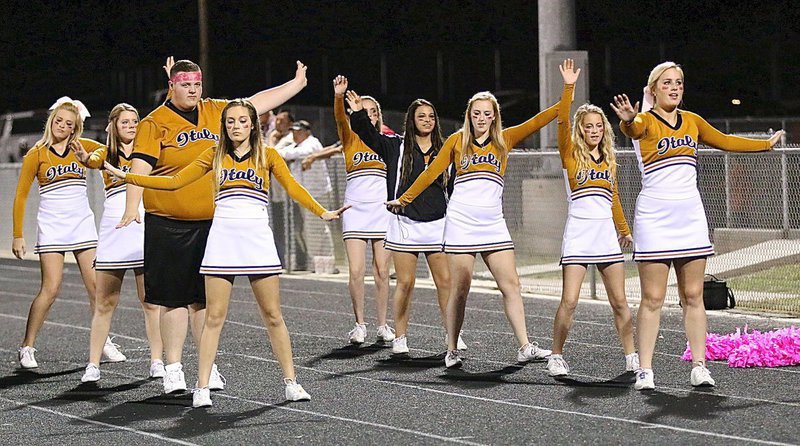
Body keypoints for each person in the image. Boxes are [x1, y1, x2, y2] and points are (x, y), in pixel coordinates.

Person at [106, 99, 347, 407]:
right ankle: (202, 386)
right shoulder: (214, 155)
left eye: (242, 121)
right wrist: (129, 177)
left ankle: (291, 382)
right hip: (222, 240)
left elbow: (293, 189)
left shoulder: (268, 155)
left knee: (273, 315)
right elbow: (174, 181)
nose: (236, 126)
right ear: (224, 125)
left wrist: (323, 211)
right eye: (230, 121)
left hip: (257, 239)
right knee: (214, 317)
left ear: (253, 125)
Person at [122, 57, 308, 393]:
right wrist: (131, 205)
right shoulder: (155, 122)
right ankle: (174, 368)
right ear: (172, 85)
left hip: (212, 225)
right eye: (185, 84)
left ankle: (207, 369)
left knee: (203, 303)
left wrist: (295, 85)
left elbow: (255, 103)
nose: (192, 90)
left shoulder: (216, 111)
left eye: (197, 84)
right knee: (174, 300)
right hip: (169, 224)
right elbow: (141, 164)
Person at [610, 61, 784, 390]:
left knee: (693, 295)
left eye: (678, 83)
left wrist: (765, 144)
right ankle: (645, 369)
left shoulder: (692, 122)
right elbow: (631, 130)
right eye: (666, 83)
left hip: (689, 215)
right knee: (652, 298)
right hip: (655, 217)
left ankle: (699, 366)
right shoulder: (645, 121)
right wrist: (629, 119)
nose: (674, 88)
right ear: (653, 90)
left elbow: (726, 140)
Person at [387, 91, 559, 368]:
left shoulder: (505, 139)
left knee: (511, 285)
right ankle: (452, 348)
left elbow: (540, 120)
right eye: (476, 113)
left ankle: (525, 346)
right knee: (460, 289)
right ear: (469, 115)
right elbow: (431, 174)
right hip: (461, 222)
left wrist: (567, 89)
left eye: (487, 113)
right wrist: (404, 199)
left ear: (495, 117)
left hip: (492, 222)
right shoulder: (457, 141)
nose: (481, 118)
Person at [343, 77, 466, 354]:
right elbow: (368, 135)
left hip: (437, 222)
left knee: (445, 282)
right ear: (411, 120)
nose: (427, 120)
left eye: (431, 116)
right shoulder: (395, 146)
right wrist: (358, 113)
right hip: (405, 222)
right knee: (406, 282)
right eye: (421, 116)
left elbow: (456, 182)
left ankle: (452, 335)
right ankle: (400, 337)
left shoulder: (446, 149)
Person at [11, 97, 124, 368]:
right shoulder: (36, 153)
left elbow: (111, 150)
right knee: (50, 289)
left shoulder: (83, 147)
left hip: (82, 224)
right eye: (59, 121)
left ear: (75, 128)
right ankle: (27, 346)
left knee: (97, 288)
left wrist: (116, 129)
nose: (62, 126)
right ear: (51, 121)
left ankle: (103, 340)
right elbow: (20, 196)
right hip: (51, 227)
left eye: (68, 123)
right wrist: (18, 234)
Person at [547, 59, 637, 377]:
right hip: (579, 233)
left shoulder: (609, 159)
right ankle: (556, 355)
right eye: (589, 126)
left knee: (620, 302)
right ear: (580, 129)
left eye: (599, 126)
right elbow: (560, 120)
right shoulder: (570, 154)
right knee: (570, 301)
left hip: (605, 235)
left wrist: (623, 230)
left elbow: (612, 198)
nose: (595, 131)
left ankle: (631, 357)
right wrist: (569, 87)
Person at [72, 103, 165, 382]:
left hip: (142, 223)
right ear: (113, 125)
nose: (131, 126)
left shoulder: (147, 152)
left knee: (151, 302)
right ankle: (93, 364)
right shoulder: (106, 152)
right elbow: (92, 160)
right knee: (105, 302)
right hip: (114, 226)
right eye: (125, 122)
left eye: (134, 121)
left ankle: (157, 361)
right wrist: (85, 157)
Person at [331, 77, 394, 344]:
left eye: (372, 111)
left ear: (378, 116)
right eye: (362, 110)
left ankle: (382, 324)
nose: (368, 115)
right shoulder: (349, 137)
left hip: (381, 209)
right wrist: (338, 97)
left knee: (382, 270)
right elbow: (338, 117)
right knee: (356, 270)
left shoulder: (387, 142)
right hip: (355, 209)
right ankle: (360, 324)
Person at [279, 120, 335, 270]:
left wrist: (282, 153)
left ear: (306, 132)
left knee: (317, 228)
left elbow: (299, 153)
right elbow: (281, 152)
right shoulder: (294, 145)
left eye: (298, 131)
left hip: (317, 193)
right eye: (293, 132)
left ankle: (325, 264)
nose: (295, 134)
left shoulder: (312, 143)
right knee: (307, 230)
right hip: (305, 195)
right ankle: (317, 263)